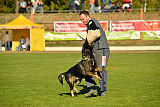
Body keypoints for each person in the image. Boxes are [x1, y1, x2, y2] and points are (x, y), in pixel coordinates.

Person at [79, 11, 110, 97]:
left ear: (88, 16)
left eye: (83, 19)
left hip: (102, 49)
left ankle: (103, 91)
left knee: (101, 69)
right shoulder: (89, 25)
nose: (82, 21)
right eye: (81, 20)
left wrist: (88, 40)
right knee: (87, 69)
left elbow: (96, 32)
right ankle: (92, 88)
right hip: (95, 50)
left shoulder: (92, 22)